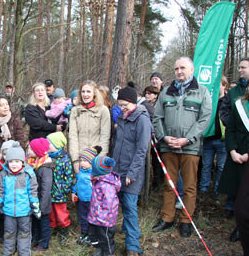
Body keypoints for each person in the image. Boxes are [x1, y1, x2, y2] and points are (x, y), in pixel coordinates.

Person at [152, 57, 212, 237]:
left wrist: (187, 139)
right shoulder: (166, 93)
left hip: (190, 148)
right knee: (169, 185)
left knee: (189, 186)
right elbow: (157, 118)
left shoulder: (201, 92)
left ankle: (186, 220)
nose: (179, 71)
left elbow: (204, 119)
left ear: (192, 70)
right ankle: (167, 218)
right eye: (176, 68)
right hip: (169, 147)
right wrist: (164, 137)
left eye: (183, 68)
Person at [113, 86, 153, 255]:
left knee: (130, 206)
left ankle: (133, 246)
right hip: (117, 170)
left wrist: (132, 173)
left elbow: (142, 150)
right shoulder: (122, 118)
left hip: (132, 172)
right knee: (120, 203)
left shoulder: (142, 119)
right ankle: (125, 231)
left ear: (133, 103)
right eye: (120, 105)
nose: (122, 109)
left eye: (125, 105)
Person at [0, 142, 41, 256]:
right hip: (9, 212)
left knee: (24, 233)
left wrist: (35, 207)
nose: (14, 164)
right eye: (11, 161)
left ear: (22, 162)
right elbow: (0, 191)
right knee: (9, 233)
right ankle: (8, 251)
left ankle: (24, 252)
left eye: (17, 161)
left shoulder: (28, 174)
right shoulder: (3, 175)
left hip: (24, 212)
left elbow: (33, 192)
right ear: (7, 162)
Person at [218, 77, 249, 243]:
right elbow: (230, 129)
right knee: (239, 199)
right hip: (237, 155)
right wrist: (232, 151)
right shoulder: (239, 104)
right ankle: (240, 228)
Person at [69, 80, 111, 173]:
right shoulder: (75, 111)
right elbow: (73, 136)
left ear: (94, 93)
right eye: (83, 92)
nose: (85, 94)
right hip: (80, 156)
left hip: (96, 156)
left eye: (88, 91)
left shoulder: (103, 110)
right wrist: (75, 160)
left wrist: (99, 159)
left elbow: (105, 136)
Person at [199, 76, 229, 198]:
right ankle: (203, 189)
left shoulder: (228, 101)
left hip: (222, 139)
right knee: (206, 165)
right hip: (208, 139)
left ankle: (218, 190)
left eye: (219, 85)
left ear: (224, 85)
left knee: (221, 166)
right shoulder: (209, 100)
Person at [88, 154, 119, 256]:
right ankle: (99, 250)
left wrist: (102, 217)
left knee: (106, 238)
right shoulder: (99, 180)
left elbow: (109, 203)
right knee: (96, 235)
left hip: (105, 220)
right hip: (96, 216)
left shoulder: (107, 185)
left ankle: (108, 253)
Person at [27, 138, 54, 250]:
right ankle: (35, 239)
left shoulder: (45, 168)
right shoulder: (33, 163)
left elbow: (46, 188)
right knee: (34, 222)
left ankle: (44, 243)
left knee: (43, 223)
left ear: (37, 151)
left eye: (30, 149)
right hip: (35, 200)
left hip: (43, 202)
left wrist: (42, 206)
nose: (28, 150)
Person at [46, 132, 73, 243]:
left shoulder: (65, 159)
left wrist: (63, 190)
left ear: (57, 145)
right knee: (50, 212)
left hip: (59, 193)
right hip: (48, 192)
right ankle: (52, 227)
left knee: (61, 213)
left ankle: (64, 230)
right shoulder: (46, 157)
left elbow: (69, 176)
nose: (47, 145)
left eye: (49, 143)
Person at [71, 147, 98, 246]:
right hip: (81, 200)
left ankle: (91, 234)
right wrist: (74, 192)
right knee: (82, 216)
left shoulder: (94, 175)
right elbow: (76, 184)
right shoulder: (80, 172)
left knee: (91, 217)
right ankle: (84, 233)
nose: (82, 163)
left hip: (91, 200)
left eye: (85, 161)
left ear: (92, 162)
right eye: (81, 160)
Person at [0, 140, 16, 243]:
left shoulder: (16, 167)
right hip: (1, 196)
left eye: (10, 153)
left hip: (12, 198)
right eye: (5, 154)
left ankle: (11, 236)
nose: (7, 156)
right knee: (0, 217)